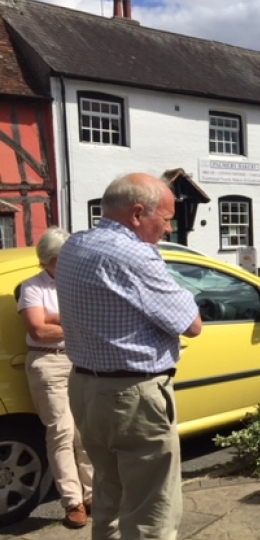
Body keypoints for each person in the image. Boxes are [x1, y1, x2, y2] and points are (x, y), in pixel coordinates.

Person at [55, 173, 202, 540]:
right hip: (133, 395)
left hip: (85, 388)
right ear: (137, 213)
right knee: (152, 509)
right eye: (165, 219)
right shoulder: (134, 254)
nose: (168, 230)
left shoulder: (74, 245)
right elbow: (191, 323)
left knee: (109, 495)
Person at [17, 227, 94, 529]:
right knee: (61, 432)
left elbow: (96, 318)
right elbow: (38, 330)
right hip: (48, 361)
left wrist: (55, 319)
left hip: (80, 360)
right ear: (49, 259)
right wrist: (74, 323)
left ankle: (93, 495)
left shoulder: (79, 284)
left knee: (86, 432)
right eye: (64, 257)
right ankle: (73, 502)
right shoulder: (32, 287)